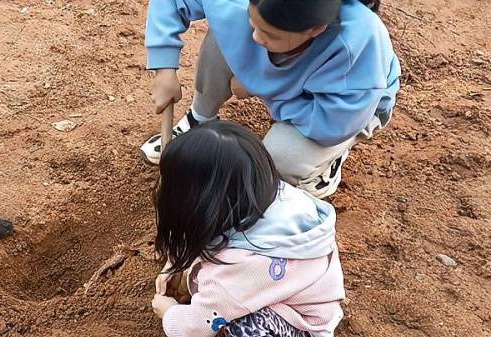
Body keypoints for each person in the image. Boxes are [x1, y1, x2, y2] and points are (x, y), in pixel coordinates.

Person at [151, 121, 344, 337]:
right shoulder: (273, 197)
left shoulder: (235, 271)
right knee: (233, 302)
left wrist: (169, 314)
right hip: (304, 296)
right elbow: (211, 234)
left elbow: (198, 329)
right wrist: (176, 265)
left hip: (306, 336)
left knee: (246, 325)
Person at [141, 0, 400, 198]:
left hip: (342, 110)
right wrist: (164, 69)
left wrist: (259, 85)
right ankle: (199, 120)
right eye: (254, 26)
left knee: (278, 160)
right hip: (285, 76)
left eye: (270, 35)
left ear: (314, 29)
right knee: (226, 30)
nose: (256, 38)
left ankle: (324, 164)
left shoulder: (356, 42)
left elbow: (334, 123)